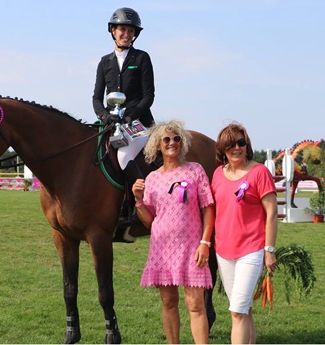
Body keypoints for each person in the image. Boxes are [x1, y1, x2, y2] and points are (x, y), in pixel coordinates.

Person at [132, 120, 214, 344]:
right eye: (166, 139)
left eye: (176, 138)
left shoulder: (195, 170)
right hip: (162, 248)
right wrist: (139, 200)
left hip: (191, 247)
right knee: (168, 303)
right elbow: (150, 220)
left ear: (183, 143)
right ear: (158, 145)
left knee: (195, 304)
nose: (172, 143)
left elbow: (208, 209)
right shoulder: (152, 179)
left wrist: (205, 243)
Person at [210, 122, 278, 344]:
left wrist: (269, 250)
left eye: (241, 143)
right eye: (231, 144)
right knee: (244, 308)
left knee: (237, 311)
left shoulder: (260, 172)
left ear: (247, 146)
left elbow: (271, 213)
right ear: (223, 149)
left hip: (252, 249)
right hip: (224, 251)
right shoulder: (218, 174)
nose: (236, 148)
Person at [92, 7, 155, 183]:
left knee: (123, 156)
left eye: (130, 31)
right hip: (111, 124)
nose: (126, 34)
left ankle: (139, 203)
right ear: (113, 30)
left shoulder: (142, 58)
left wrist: (129, 117)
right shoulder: (104, 62)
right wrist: (104, 116)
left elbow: (148, 96)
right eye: (122, 30)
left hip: (138, 124)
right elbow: (97, 98)